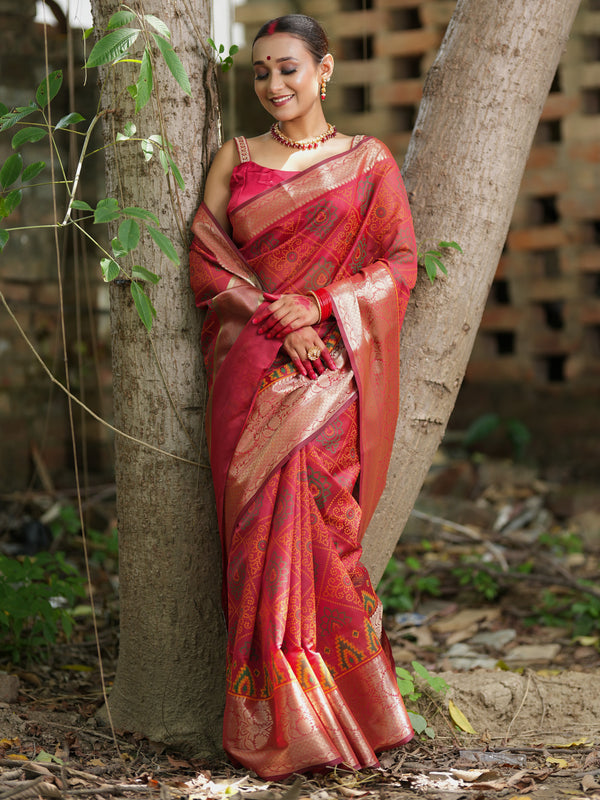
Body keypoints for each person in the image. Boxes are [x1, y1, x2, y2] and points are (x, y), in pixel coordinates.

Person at [189, 14, 417, 781]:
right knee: (257, 545)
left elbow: (398, 266)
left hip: (332, 383)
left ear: (324, 71)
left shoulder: (367, 162)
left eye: (288, 69)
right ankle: (280, 722)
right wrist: (272, 316)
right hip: (254, 372)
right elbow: (207, 258)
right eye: (260, 73)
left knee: (329, 539)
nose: (274, 85)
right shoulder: (238, 158)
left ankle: (347, 715)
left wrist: (318, 303)